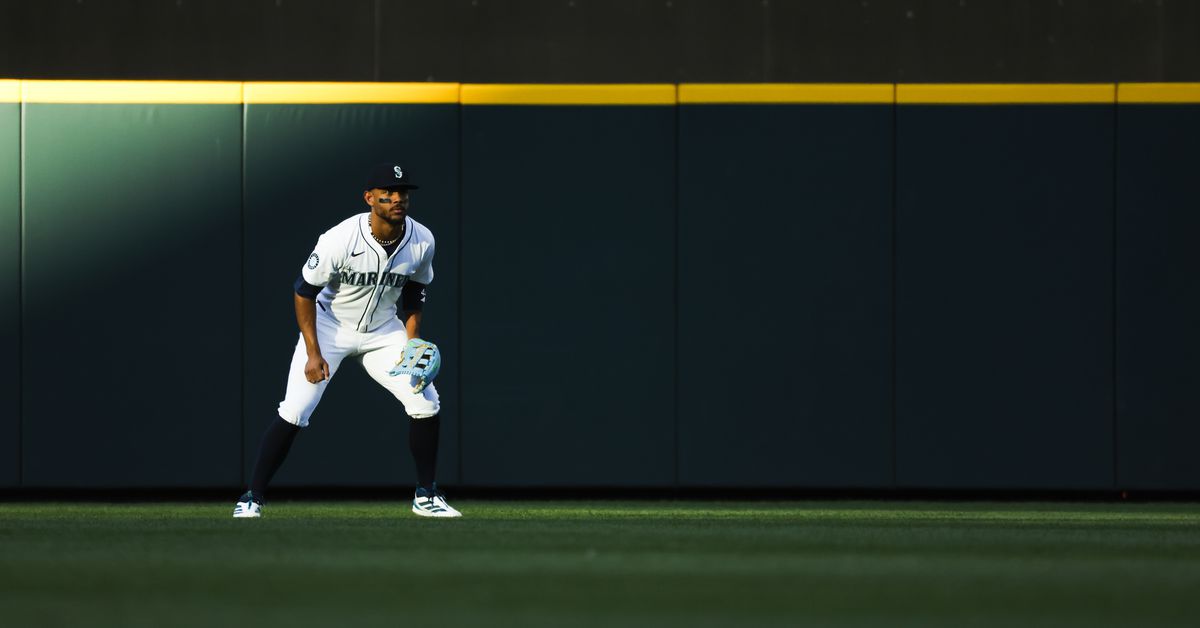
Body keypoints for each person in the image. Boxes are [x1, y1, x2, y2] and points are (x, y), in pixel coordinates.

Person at [233, 162, 460, 518]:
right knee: (296, 410)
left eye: (404, 193)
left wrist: (412, 341)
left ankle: (426, 495)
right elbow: (303, 292)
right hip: (329, 329)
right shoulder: (340, 238)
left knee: (426, 402)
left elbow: (416, 290)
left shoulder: (422, 239)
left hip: (384, 331)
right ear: (370, 199)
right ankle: (252, 497)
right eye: (389, 193)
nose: (398, 199)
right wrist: (312, 352)